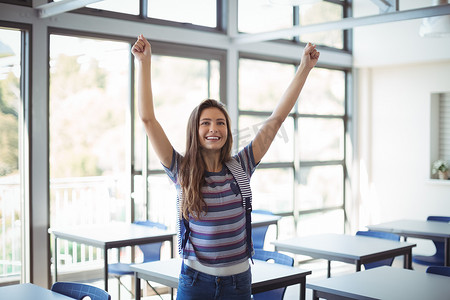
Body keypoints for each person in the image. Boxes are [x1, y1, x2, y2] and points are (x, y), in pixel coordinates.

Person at [131, 34, 319, 300]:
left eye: (220, 122)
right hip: (195, 282)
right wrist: (144, 62)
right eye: (205, 123)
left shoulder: (242, 165)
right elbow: (148, 119)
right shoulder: (181, 170)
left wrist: (304, 68)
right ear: (195, 131)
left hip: (238, 283)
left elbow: (276, 120)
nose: (213, 128)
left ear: (228, 131)